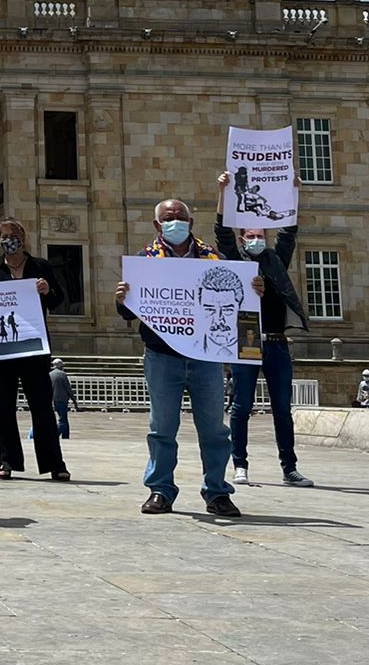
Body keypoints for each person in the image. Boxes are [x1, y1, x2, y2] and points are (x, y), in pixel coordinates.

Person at [114, 197, 260, 517]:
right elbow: (128, 312)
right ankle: (160, 490)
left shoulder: (214, 259)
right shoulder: (145, 260)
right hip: (162, 355)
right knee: (162, 428)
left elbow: (238, 303)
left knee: (214, 429)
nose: (175, 221)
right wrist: (123, 299)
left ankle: (217, 491)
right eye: (169, 217)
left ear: (191, 223)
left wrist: (254, 289)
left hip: (205, 357)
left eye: (181, 217)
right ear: (157, 225)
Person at [214, 172, 314, 488]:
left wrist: (292, 195)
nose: (257, 238)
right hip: (247, 339)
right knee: (241, 406)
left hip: (276, 340)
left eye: (261, 234)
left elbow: (289, 233)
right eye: (251, 234)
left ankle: (289, 468)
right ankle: (240, 465)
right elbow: (221, 234)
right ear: (244, 238)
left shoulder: (275, 260)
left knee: (282, 409)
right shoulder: (235, 259)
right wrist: (223, 193)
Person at [0, 218, 70, 481]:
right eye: (4, 236)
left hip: (33, 348)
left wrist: (47, 289)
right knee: (3, 407)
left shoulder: (40, 266)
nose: (9, 240)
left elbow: (58, 299)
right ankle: (7, 461)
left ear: (23, 236)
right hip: (2, 350)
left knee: (41, 407)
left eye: (13, 235)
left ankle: (55, 463)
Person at [50, 359, 79, 439]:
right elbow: (67, 388)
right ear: (60, 366)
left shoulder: (50, 374)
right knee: (63, 420)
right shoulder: (62, 374)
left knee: (63, 418)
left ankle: (65, 436)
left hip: (55, 399)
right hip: (63, 399)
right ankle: (55, 435)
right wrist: (74, 400)